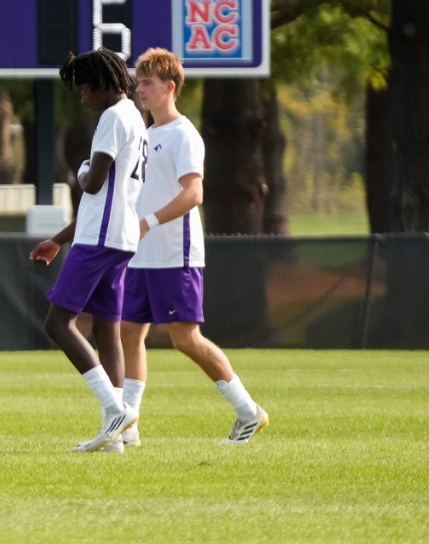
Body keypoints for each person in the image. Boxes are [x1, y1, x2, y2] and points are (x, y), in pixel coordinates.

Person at [121, 48, 269, 445]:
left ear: (170, 87)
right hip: (142, 255)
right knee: (128, 332)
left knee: (185, 338)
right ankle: (128, 427)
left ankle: (248, 411)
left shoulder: (183, 134)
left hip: (175, 254)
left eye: (148, 83)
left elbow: (194, 194)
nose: (140, 90)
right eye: (138, 83)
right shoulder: (146, 135)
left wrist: (148, 223)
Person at [31, 47, 145, 453]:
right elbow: (106, 194)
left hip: (99, 239)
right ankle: (120, 434)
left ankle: (115, 409)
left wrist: (81, 169)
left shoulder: (112, 117)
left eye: (84, 90)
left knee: (58, 324)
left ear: (101, 83)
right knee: (107, 333)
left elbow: (93, 183)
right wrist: (59, 239)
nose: (83, 98)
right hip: (120, 238)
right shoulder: (135, 117)